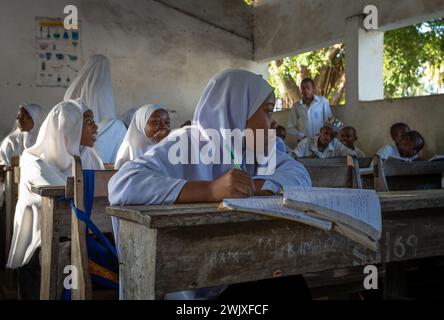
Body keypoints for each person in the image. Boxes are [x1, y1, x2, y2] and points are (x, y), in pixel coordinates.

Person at [108, 69, 312, 299]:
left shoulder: (257, 148)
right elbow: (121, 184)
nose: (273, 122)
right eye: (267, 111)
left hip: (234, 268)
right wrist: (212, 189)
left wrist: (256, 186)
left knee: (290, 284)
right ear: (237, 109)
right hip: (188, 284)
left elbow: (300, 175)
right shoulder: (187, 142)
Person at [6, 99, 104, 299]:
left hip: (77, 236)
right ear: (69, 125)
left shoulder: (89, 156)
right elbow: (63, 193)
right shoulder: (32, 160)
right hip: (41, 243)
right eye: (88, 121)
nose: (95, 126)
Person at [64, 54, 127, 164]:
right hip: (93, 136)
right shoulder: (102, 87)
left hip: (72, 137)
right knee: (118, 126)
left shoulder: (72, 87)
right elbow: (108, 115)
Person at [0, 104, 46, 207]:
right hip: (12, 193)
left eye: (27, 117)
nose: (20, 121)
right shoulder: (10, 142)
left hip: (40, 191)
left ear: (37, 119)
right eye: (18, 117)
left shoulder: (46, 141)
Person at [115, 104, 171, 169]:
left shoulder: (172, 147)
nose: (164, 127)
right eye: (156, 122)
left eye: (167, 122)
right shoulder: (128, 151)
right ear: (141, 125)